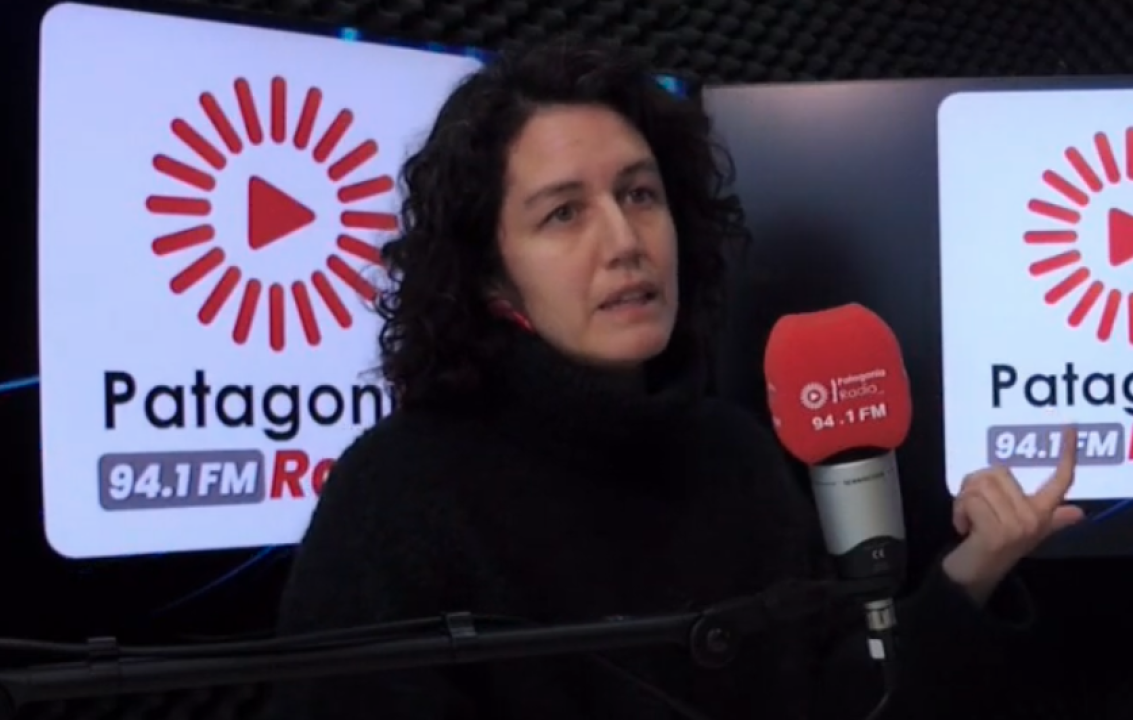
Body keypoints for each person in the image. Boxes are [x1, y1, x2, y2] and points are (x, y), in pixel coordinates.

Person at [264, 40, 1084, 720]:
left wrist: (972, 573)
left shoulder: (736, 457)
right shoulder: (400, 492)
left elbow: (847, 702)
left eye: (639, 194)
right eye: (563, 213)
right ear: (488, 274)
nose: (626, 241)